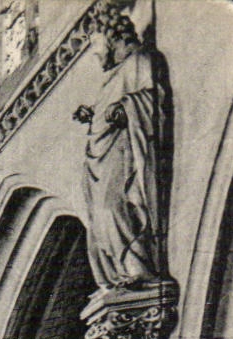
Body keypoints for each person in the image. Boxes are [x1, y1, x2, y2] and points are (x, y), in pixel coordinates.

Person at [74, 11, 170, 290]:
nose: (95, 55)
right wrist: (92, 114)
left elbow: (153, 99)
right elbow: (107, 109)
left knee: (111, 209)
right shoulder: (113, 77)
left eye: (96, 47)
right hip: (100, 160)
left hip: (124, 153)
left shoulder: (140, 61)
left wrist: (126, 108)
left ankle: (138, 268)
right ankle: (119, 273)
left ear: (112, 38)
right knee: (98, 222)